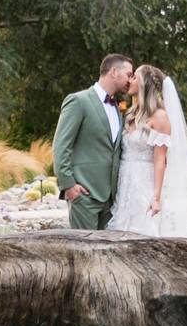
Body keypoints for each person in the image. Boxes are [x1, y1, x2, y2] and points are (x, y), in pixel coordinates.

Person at [106, 64, 187, 235]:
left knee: (143, 230)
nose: (130, 80)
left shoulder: (160, 117)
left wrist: (156, 197)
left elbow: (160, 160)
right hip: (125, 181)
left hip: (144, 182)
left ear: (145, 84)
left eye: (134, 77)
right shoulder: (130, 114)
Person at [53, 54, 134, 230]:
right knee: (84, 254)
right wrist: (69, 186)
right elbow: (61, 146)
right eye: (128, 74)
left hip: (110, 199)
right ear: (114, 72)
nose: (130, 80)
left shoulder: (118, 108)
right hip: (84, 195)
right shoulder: (78, 101)